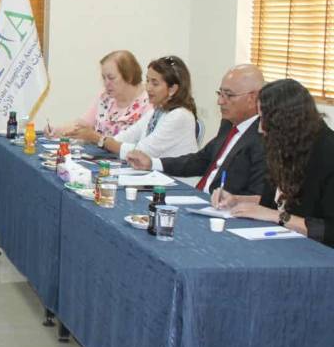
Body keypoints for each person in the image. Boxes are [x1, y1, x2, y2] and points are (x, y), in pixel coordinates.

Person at [213, 79, 334, 246]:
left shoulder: (327, 154)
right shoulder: (289, 145)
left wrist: (277, 217)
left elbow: (328, 230)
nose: (260, 129)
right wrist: (238, 200)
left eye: (264, 119)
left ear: (286, 122)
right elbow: (276, 203)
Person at [126, 64, 266, 195]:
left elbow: (257, 196)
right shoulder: (228, 125)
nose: (220, 101)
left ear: (253, 98)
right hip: (198, 197)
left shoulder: (263, 136)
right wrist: (152, 163)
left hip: (221, 207)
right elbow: (200, 160)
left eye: (228, 95)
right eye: (220, 94)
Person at [76, 55, 197, 160]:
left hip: (174, 179)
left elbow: (141, 152)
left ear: (172, 89)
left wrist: (99, 139)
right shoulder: (157, 111)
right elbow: (125, 137)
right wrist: (100, 139)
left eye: (155, 83)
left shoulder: (180, 116)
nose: (148, 87)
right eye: (147, 81)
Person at [49, 50, 150, 138]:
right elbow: (82, 125)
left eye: (111, 78)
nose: (106, 83)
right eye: (104, 78)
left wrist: (96, 138)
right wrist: (56, 130)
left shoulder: (149, 102)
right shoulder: (105, 97)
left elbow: (143, 144)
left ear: (129, 77)